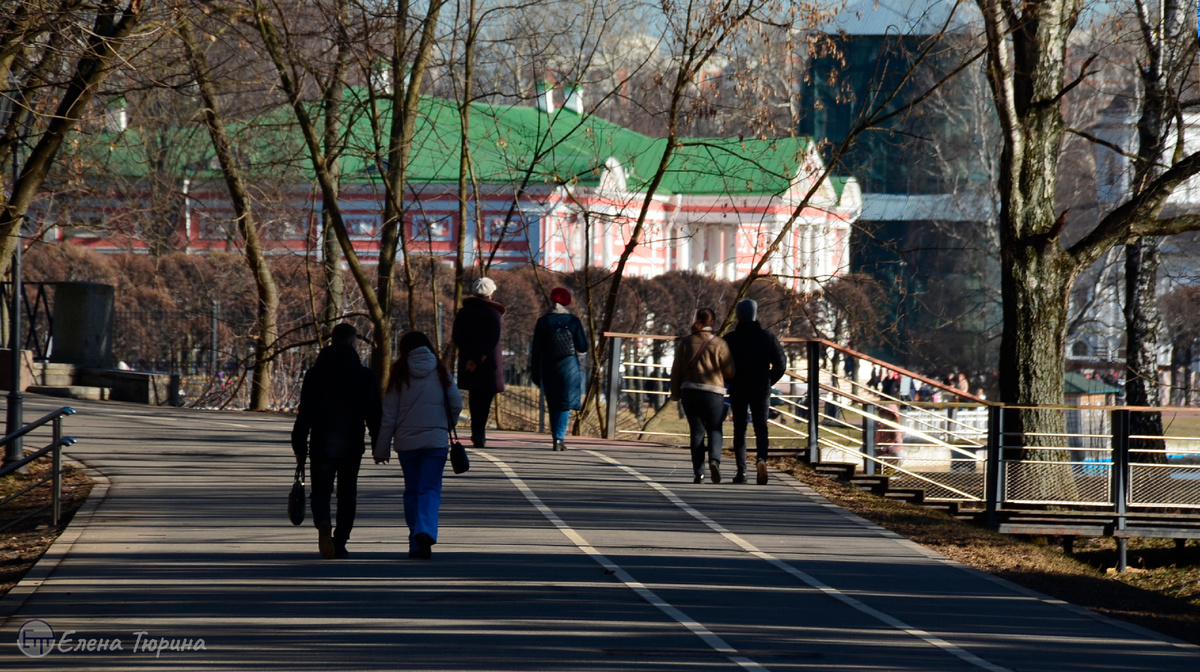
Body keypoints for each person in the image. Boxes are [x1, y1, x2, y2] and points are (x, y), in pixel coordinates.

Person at [292, 323, 381, 560]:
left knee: (320, 492)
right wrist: (378, 444)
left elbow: (305, 414)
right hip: (351, 444)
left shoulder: (314, 374)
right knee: (347, 495)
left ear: (331, 343)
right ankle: (340, 541)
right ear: (353, 344)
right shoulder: (364, 375)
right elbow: (374, 414)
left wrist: (299, 445)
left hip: (322, 442)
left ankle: (322, 522)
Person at [374, 331, 463, 560]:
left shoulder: (399, 374)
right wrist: (444, 425)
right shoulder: (442, 371)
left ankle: (416, 540)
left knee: (412, 490)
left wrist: (381, 448)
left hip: (407, 445)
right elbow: (456, 403)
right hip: (435, 443)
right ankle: (426, 529)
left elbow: (389, 415)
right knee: (430, 489)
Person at [723, 299, 786, 485]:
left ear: (738, 315)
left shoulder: (731, 339)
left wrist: (730, 380)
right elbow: (781, 365)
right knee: (761, 428)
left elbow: (722, 365)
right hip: (760, 387)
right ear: (755, 314)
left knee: (740, 429)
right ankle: (761, 460)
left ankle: (742, 471)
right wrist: (768, 380)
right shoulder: (768, 337)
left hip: (738, 387)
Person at [669, 308, 735, 484]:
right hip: (713, 393)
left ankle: (699, 474)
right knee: (714, 429)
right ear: (712, 322)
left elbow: (676, 370)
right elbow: (730, 371)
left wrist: (675, 393)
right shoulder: (720, 344)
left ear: (697, 320)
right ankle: (714, 460)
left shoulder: (686, 342)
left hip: (690, 392)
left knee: (697, 432)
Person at [530, 287, 589, 451]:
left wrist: (535, 373)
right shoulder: (573, 321)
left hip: (548, 366)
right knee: (565, 402)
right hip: (569, 366)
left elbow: (536, 351)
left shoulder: (542, 322)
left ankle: (554, 436)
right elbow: (583, 347)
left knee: (553, 402)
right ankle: (559, 438)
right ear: (567, 302)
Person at [452, 277, 506, 448]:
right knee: (485, 399)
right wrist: (479, 357)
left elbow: (457, 337)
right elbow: (493, 338)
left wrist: (470, 358)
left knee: (474, 398)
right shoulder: (494, 313)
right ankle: (479, 432)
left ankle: (476, 431)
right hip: (488, 364)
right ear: (490, 293)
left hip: (469, 363)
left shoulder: (464, 312)